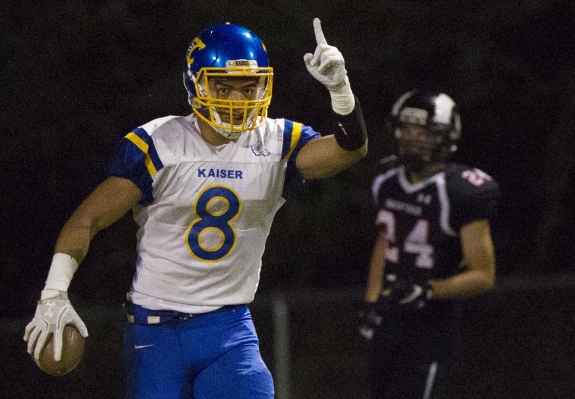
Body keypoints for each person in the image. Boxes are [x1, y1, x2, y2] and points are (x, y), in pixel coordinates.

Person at [24, 18, 368, 399]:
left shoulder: (277, 141)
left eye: (247, 87)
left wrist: (341, 90)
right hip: (155, 333)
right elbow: (87, 220)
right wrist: (54, 292)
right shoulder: (160, 143)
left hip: (230, 329)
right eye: (224, 87)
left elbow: (348, 150)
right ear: (197, 84)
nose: (237, 101)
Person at [358, 90, 500, 399]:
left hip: (432, 322)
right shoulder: (386, 178)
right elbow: (385, 241)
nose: (413, 138)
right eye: (407, 129)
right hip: (390, 313)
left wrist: (428, 289)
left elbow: (483, 275)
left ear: (446, 137)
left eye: (424, 131)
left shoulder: (462, 191)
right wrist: (371, 302)